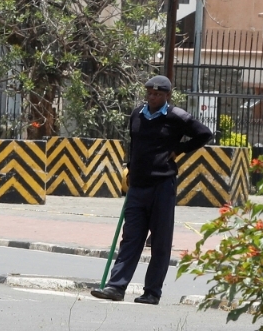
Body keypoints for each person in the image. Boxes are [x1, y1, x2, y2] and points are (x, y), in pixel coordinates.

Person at [91, 75, 212, 305]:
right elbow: (134, 144)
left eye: (157, 94)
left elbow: (204, 134)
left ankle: (152, 292)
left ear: (167, 95)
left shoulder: (177, 116)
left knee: (160, 241)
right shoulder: (137, 114)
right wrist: (130, 168)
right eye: (149, 93)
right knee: (130, 238)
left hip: (163, 185)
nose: (152, 97)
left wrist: (180, 149)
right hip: (137, 186)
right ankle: (116, 287)